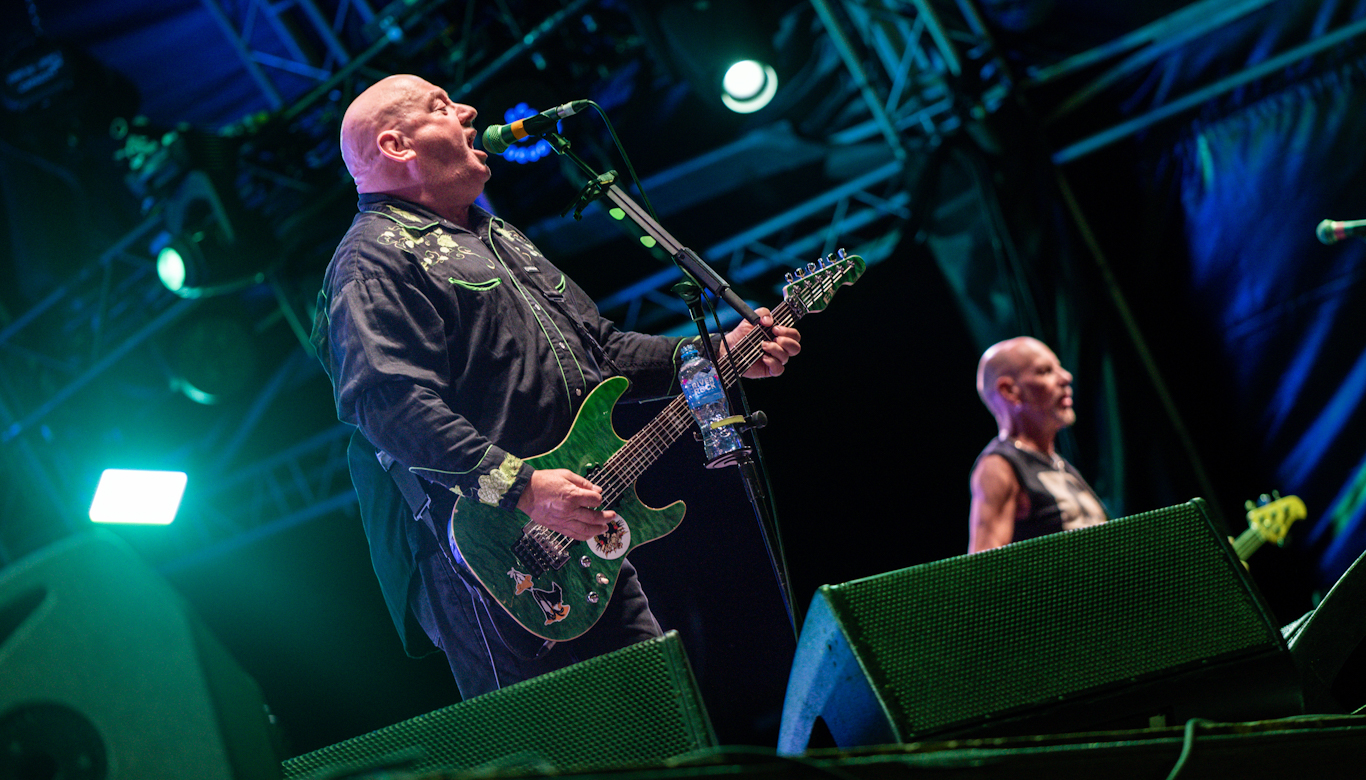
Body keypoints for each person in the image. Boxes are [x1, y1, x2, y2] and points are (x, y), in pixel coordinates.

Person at [309, 74, 801, 699]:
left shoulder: (495, 234)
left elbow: (600, 350)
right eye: (441, 106)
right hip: (484, 558)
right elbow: (390, 405)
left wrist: (711, 355)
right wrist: (524, 488)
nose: (467, 111)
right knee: (561, 750)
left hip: (575, 534)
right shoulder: (373, 256)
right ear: (397, 146)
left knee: (665, 718)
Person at [968, 336, 1106, 552]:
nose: (1065, 377)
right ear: (1009, 391)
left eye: (1059, 367)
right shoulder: (999, 466)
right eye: (1045, 371)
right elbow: (983, 569)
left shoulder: (1056, 462)